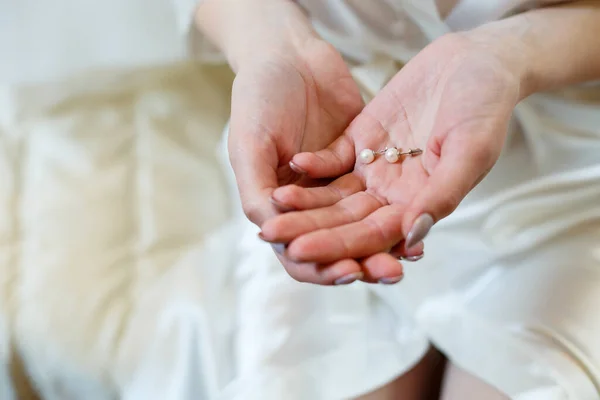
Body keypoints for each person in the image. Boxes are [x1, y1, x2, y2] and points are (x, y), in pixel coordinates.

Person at [196, 0, 600, 399]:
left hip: (567, 177)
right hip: (327, 129)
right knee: (318, 375)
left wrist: (513, 51)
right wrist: (273, 43)